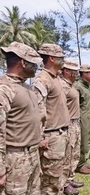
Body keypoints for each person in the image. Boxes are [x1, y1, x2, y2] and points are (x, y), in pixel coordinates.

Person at [0, 42, 42, 194]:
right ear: (23, 62)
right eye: (33, 64)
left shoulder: (27, 88)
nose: (36, 68)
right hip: (14, 158)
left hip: (32, 155)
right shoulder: (4, 88)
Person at [32, 43, 70, 194]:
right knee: (50, 182)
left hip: (61, 135)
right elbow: (37, 111)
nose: (63, 60)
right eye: (61, 57)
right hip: (51, 137)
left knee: (59, 178)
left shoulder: (55, 79)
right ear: (52, 58)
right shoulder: (42, 79)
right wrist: (40, 137)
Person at [60, 60, 84, 194]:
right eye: (74, 70)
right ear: (66, 71)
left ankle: (70, 178)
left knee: (74, 153)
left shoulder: (71, 85)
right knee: (67, 155)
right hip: (68, 123)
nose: (76, 73)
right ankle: (64, 184)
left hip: (76, 122)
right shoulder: (62, 86)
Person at [74, 65, 90, 174]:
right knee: (83, 140)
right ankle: (79, 164)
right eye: (89, 73)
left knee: (88, 139)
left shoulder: (89, 86)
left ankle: (84, 161)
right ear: (83, 74)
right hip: (82, 116)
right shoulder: (78, 86)